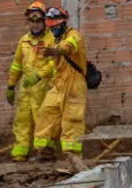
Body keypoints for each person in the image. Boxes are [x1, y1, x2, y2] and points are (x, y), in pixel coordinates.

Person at [32, 7, 87, 171]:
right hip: (58, 84)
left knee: (72, 120)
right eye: (50, 27)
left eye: (55, 26)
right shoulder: (54, 39)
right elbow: (53, 64)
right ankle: (45, 153)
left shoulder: (74, 36)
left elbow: (67, 47)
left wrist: (56, 50)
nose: (53, 29)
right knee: (45, 114)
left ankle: (73, 158)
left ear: (63, 24)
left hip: (74, 84)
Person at [7, 2, 56, 161]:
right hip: (25, 89)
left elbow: (54, 64)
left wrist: (40, 76)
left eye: (38, 21)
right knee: (22, 121)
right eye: (31, 21)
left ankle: (45, 153)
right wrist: (10, 85)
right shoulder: (24, 41)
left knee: (42, 120)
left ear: (44, 21)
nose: (34, 24)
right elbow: (16, 65)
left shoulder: (51, 39)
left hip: (43, 87)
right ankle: (20, 153)